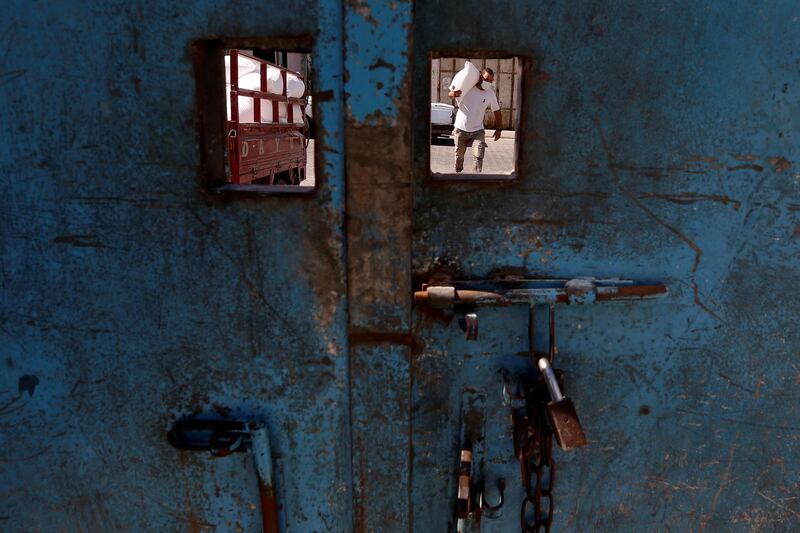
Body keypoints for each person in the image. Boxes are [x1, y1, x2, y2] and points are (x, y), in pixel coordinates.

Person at [448, 67, 502, 173]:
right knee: (459, 157)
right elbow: (451, 94)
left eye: (491, 80)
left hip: (478, 130)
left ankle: (476, 177)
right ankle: (457, 176)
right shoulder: (467, 87)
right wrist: (453, 94)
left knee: (479, 154)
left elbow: (497, 112)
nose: (489, 82)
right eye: (487, 79)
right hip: (460, 129)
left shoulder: (490, 94)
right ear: (481, 77)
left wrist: (499, 129)